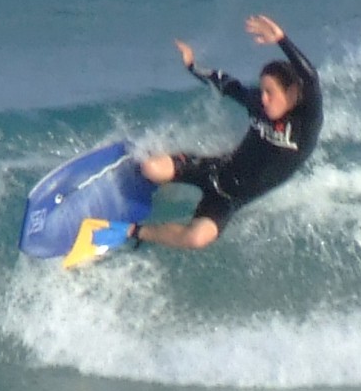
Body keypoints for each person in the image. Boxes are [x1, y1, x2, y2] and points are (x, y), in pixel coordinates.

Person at [129, 14, 323, 250]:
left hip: (229, 200)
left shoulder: (306, 124)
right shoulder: (258, 105)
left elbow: (311, 79)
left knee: (196, 239)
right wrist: (193, 66)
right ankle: (148, 175)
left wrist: (281, 39)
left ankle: (137, 231)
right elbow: (229, 85)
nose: (262, 97)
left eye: (270, 92)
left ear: (291, 94)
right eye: (262, 90)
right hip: (214, 169)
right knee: (151, 168)